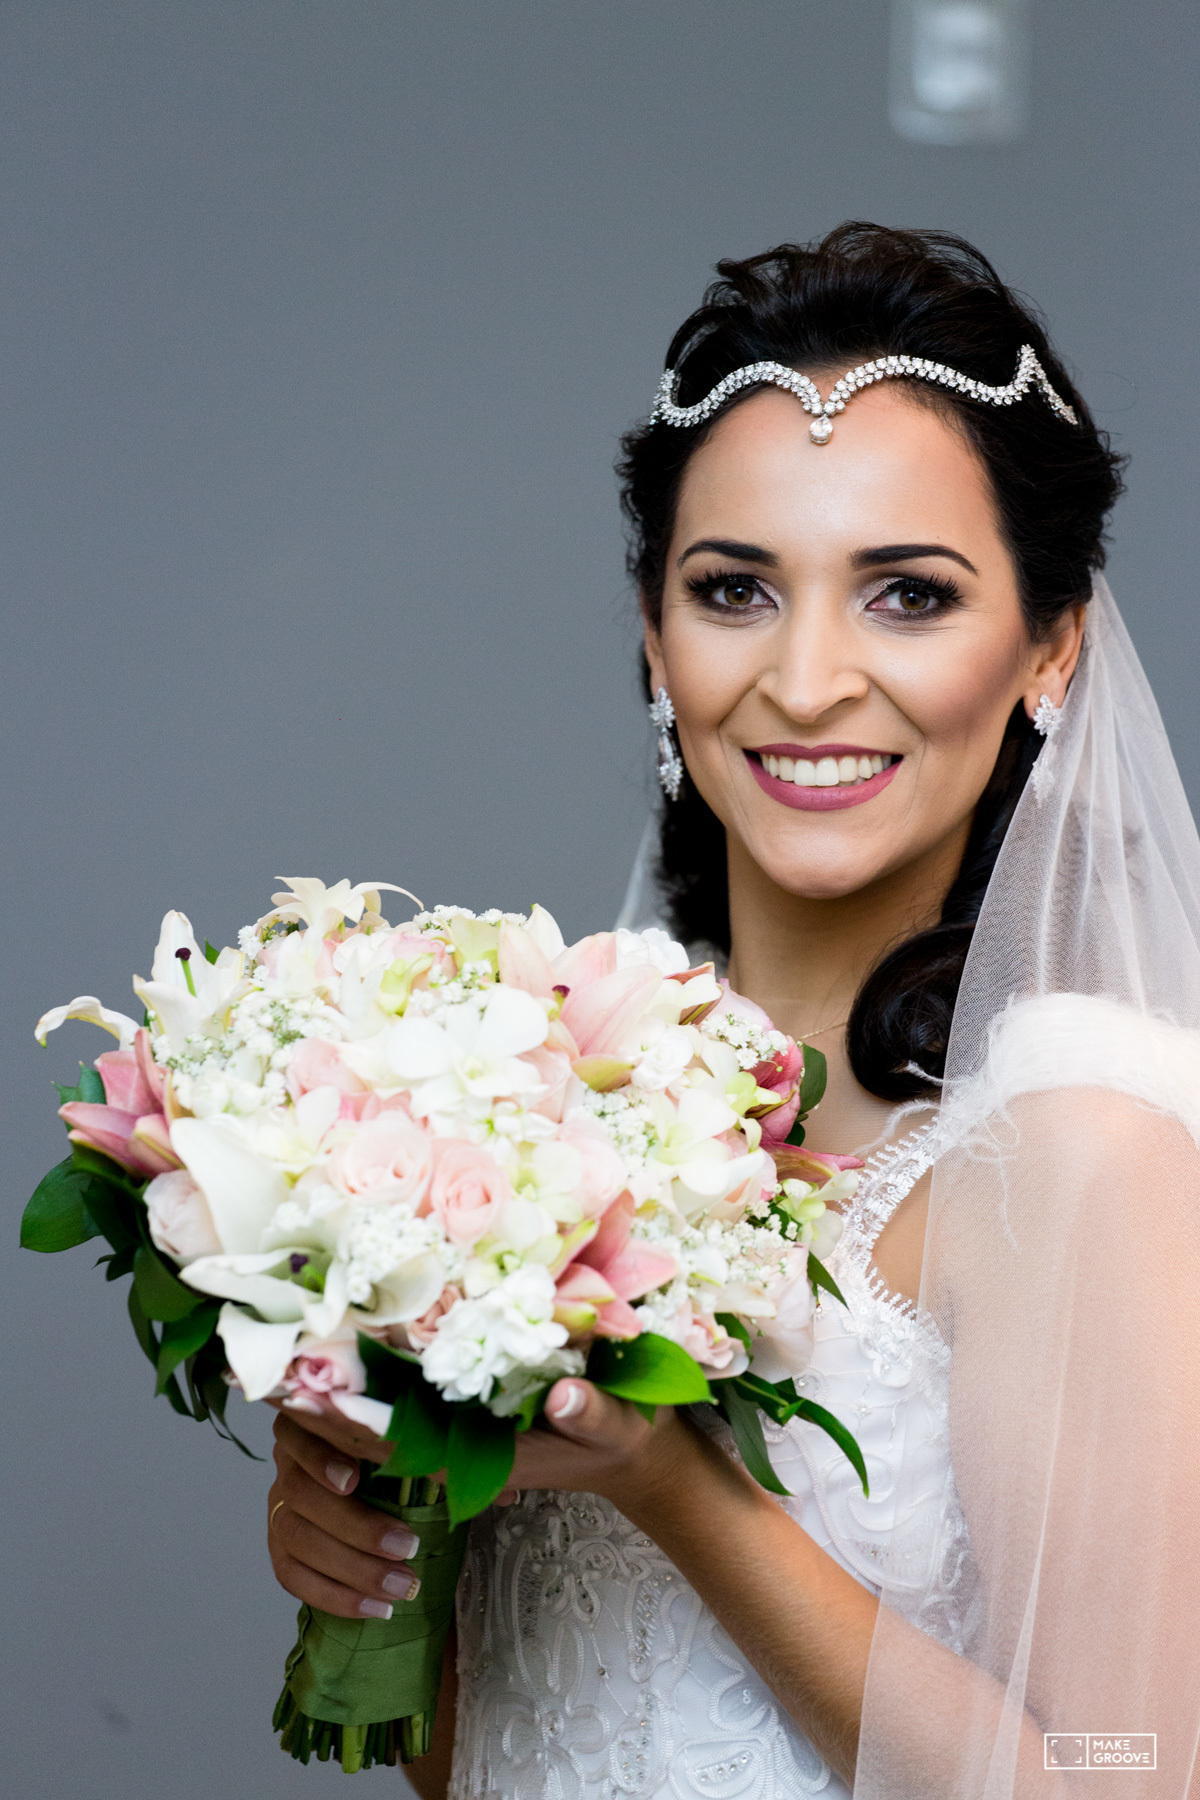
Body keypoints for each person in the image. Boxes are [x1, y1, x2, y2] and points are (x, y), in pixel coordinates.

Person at [265, 225, 1200, 1797]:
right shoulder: (536, 1108)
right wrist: (381, 1544)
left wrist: (676, 1492)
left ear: (1050, 650)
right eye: (736, 589)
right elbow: (521, 1752)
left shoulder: (1076, 1152)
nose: (809, 679)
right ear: (656, 637)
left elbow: (1135, 1779)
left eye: (908, 594)